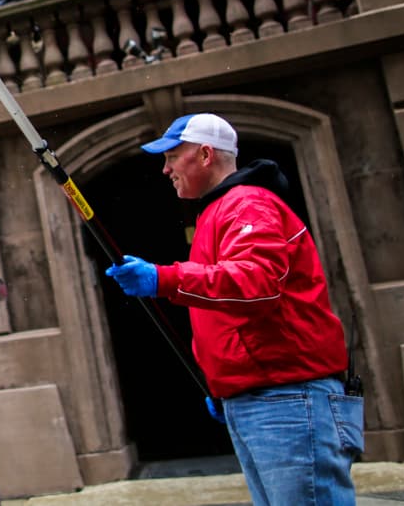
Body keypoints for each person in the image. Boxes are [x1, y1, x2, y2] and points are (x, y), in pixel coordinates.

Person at [106, 113, 363, 506]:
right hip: (263, 398)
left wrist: (164, 279)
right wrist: (224, 383)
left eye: (173, 156)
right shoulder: (224, 208)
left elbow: (256, 284)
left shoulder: (247, 204)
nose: (165, 168)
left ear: (205, 154)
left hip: (285, 398)